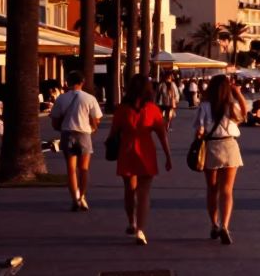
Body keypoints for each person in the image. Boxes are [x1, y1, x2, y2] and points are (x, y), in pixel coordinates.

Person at [106, 74, 173, 245]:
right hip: (146, 150)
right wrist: (167, 156)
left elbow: (113, 132)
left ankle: (131, 222)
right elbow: (161, 135)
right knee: (144, 192)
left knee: (129, 190)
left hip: (127, 150)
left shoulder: (122, 109)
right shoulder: (153, 109)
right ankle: (140, 231)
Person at [196, 75, 247, 245]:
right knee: (227, 190)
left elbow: (199, 131)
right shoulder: (231, 106)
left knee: (211, 188)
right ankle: (224, 225)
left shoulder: (204, 106)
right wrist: (238, 93)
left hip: (211, 147)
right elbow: (244, 116)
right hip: (229, 146)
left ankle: (214, 225)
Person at [49, 70, 103, 211]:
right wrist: (93, 127)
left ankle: (75, 199)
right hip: (84, 134)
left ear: (68, 83)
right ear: (82, 82)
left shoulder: (61, 98)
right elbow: (96, 119)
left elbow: (54, 121)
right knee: (84, 168)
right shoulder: (89, 98)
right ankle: (82, 196)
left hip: (67, 134)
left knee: (71, 170)